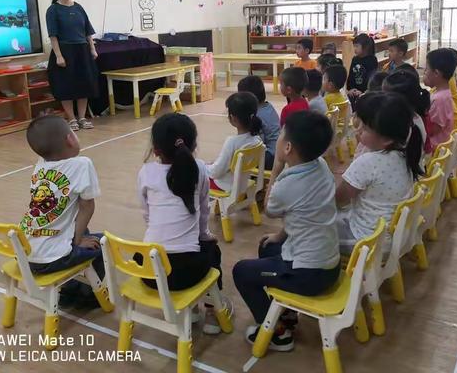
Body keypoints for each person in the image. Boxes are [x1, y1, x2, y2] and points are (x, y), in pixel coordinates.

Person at [233, 111, 340, 352]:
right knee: (268, 246)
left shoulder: (287, 185)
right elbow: (303, 217)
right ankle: (287, 313)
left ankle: (276, 333)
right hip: (327, 262)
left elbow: (269, 209)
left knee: (241, 272)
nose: (278, 139)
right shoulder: (320, 166)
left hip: (309, 275)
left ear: (288, 147)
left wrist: (277, 168)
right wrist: (279, 236)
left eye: (281, 135)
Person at [137, 113, 230, 334]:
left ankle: (194, 310)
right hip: (186, 271)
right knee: (213, 251)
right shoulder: (199, 169)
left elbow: (146, 213)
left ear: (156, 149)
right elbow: (203, 212)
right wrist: (206, 236)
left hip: (149, 270)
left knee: (184, 249)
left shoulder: (146, 172)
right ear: (193, 144)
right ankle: (212, 311)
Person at [19, 115, 103, 308]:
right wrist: (77, 241)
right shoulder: (82, 164)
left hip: (26, 252)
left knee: (84, 230)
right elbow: (87, 207)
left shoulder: (40, 165)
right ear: (70, 139)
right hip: (50, 258)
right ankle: (87, 297)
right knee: (102, 243)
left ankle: (70, 287)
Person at [335, 92, 423, 254]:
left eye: (365, 128)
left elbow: (339, 199)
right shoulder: (405, 155)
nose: (358, 130)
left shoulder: (368, 162)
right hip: (388, 238)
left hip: (366, 243)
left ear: (387, 139)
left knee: (310, 232)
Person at [46, 0, 99, 132]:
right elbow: (53, 35)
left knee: (84, 84)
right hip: (65, 50)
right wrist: (59, 55)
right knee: (66, 86)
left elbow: (88, 31)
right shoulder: (53, 10)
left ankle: (82, 117)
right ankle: (71, 119)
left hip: (82, 50)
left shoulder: (78, 8)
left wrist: (92, 48)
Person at [207, 92, 262, 191]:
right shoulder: (257, 140)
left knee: (198, 176)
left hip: (226, 186)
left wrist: (204, 168)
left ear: (232, 118)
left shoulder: (232, 142)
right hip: (244, 183)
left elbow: (216, 172)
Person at [383, 69, 430, 169]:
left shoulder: (398, 127)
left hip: (400, 177)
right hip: (414, 173)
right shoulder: (416, 118)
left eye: (384, 96)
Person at [238, 76, 280, 170]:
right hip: (278, 152)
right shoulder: (268, 106)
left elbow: (256, 144)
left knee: (238, 156)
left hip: (269, 157)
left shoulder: (257, 116)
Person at [423, 48, 457, 153]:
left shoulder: (439, 99)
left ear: (436, 73)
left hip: (433, 149)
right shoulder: (443, 93)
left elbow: (433, 130)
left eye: (427, 69)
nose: (425, 72)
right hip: (438, 146)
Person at [347, 33, 378, 105]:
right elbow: (351, 75)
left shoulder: (372, 60)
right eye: (354, 46)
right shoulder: (355, 59)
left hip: (366, 94)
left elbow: (371, 78)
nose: (354, 49)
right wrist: (351, 88)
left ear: (365, 47)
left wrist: (364, 92)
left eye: (357, 46)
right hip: (353, 92)